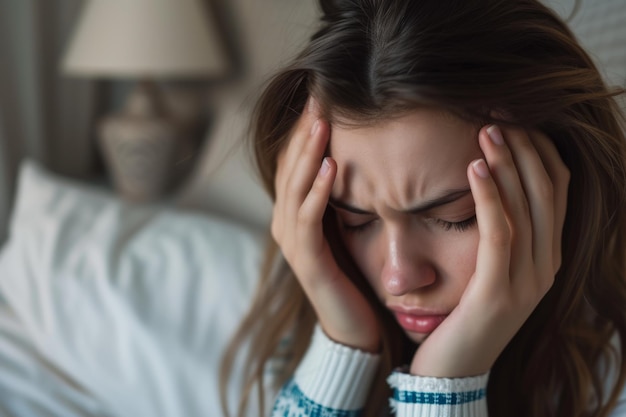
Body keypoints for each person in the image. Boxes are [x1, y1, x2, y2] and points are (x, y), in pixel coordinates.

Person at [220, 0, 626, 415]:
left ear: (552, 190)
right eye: (355, 220)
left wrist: (443, 390)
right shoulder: (276, 324)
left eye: (456, 218)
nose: (398, 279)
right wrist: (341, 349)